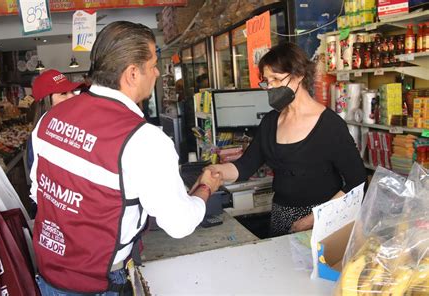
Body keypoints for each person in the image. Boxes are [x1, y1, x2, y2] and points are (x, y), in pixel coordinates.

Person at [29, 21, 221, 295]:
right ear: (132, 73)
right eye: (153, 64)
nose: (156, 72)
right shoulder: (144, 139)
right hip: (100, 284)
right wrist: (205, 188)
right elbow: (179, 224)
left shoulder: (50, 119)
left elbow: (40, 194)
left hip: (48, 276)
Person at [207, 42, 366, 237]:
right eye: (267, 81)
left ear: (299, 75)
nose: (270, 87)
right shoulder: (270, 122)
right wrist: (217, 172)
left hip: (323, 221)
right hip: (281, 216)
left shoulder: (330, 126)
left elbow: (357, 181)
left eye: (276, 79)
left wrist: (313, 219)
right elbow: (245, 166)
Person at [27, 69, 86, 171]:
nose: (72, 96)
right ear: (46, 102)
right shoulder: (37, 139)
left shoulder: (76, 126)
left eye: (72, 91)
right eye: (63, 93)